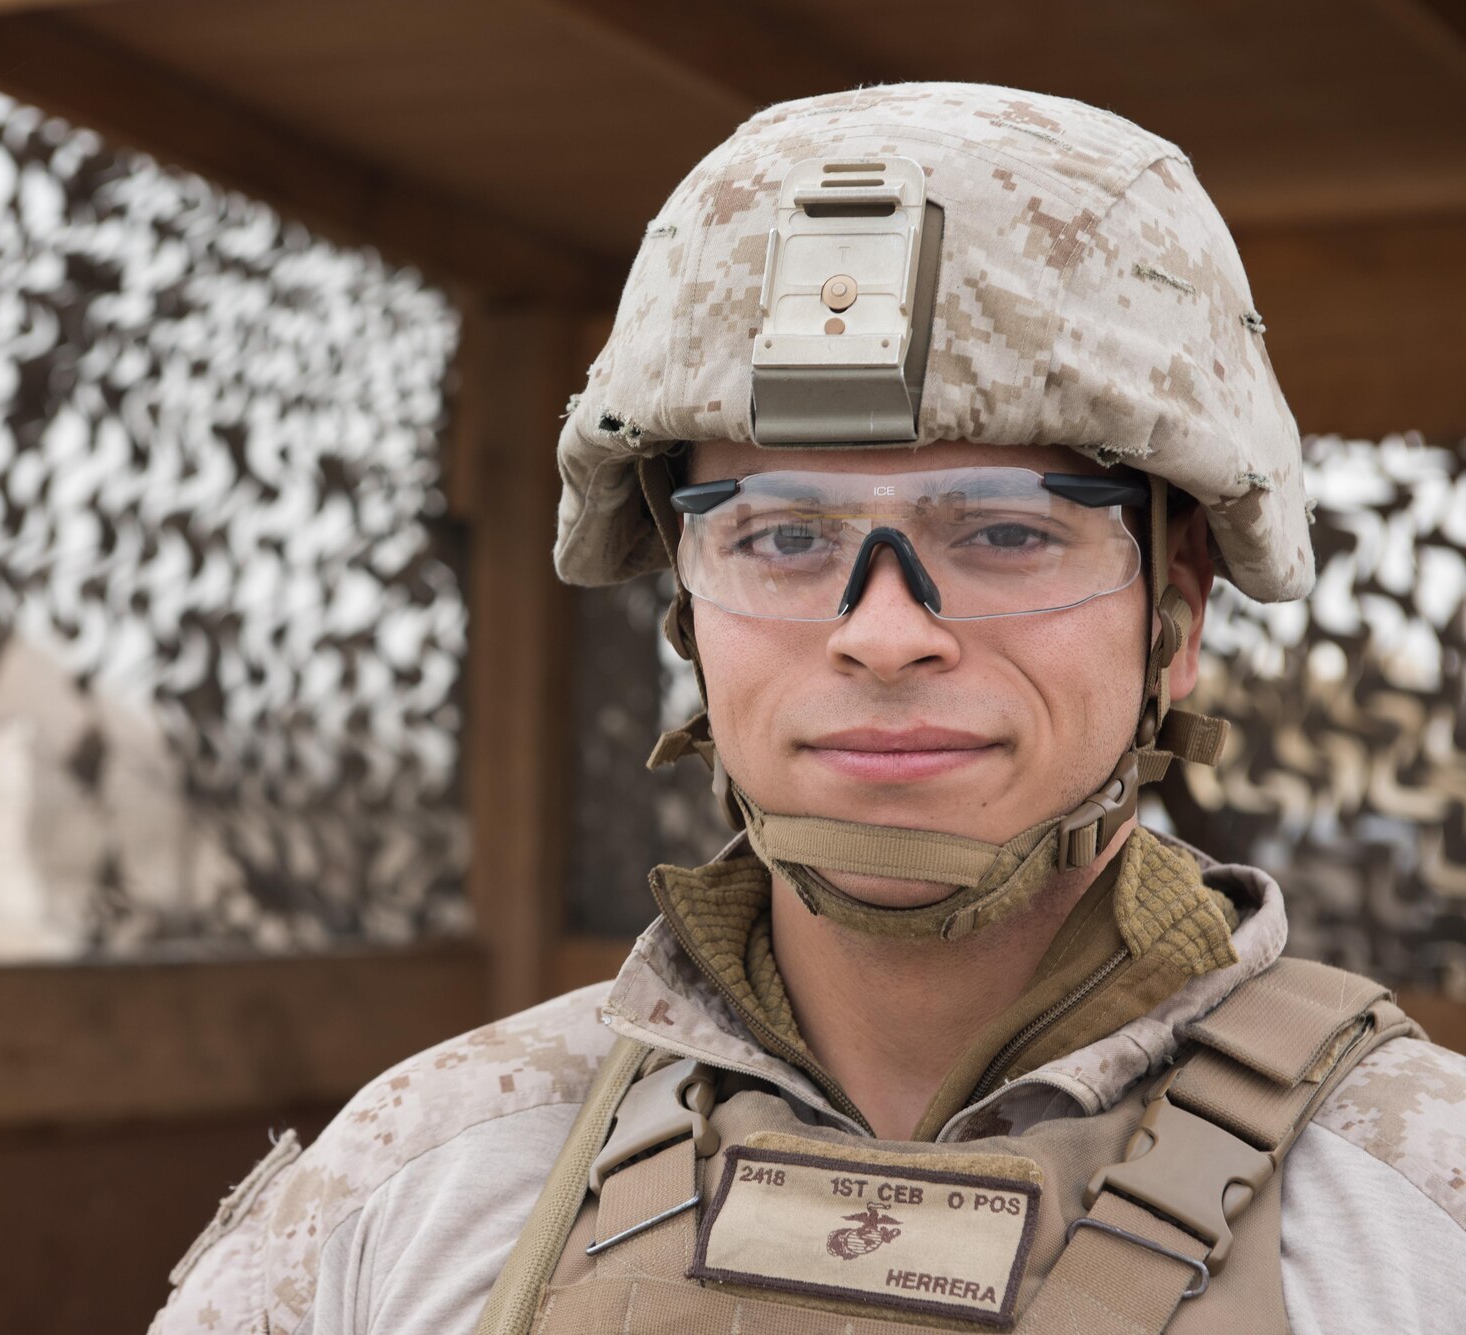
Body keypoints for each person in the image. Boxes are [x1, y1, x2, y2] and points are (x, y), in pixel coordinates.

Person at [151, 83, 1466, 1334]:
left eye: (1006, 533)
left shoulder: (1417, 1210)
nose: (883, 634)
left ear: (1173, 614)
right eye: (782, 538)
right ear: (689, 607)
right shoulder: (419, 1183)